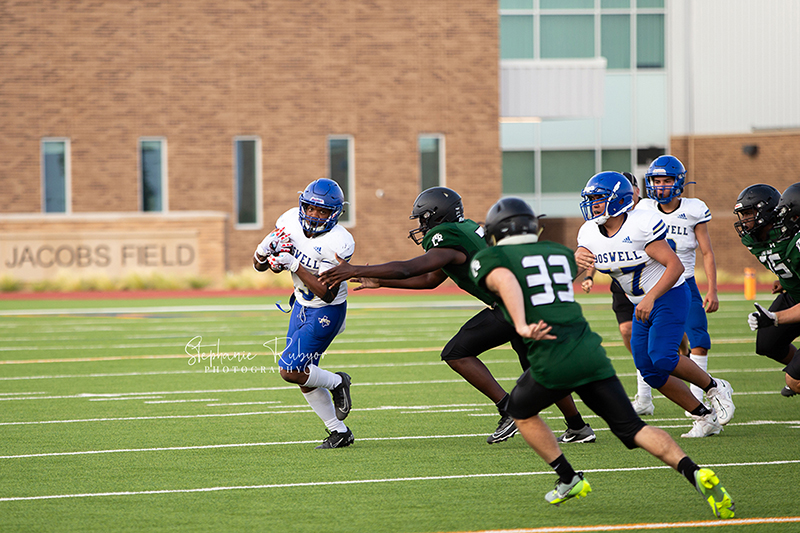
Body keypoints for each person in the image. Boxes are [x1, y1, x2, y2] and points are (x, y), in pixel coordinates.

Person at [468, 196, 734, 518]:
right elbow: (573, 270)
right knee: (633, 429)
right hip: (589, 351)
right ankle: (693, 471)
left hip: (552, 356)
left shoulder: (490, 258)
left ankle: (568, 477)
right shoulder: (558, 253)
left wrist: (522, 323)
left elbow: (507, 278)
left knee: (520, 410)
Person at [318, 187, 596, 444]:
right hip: (527, 302)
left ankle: (509, 410)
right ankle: (578, 427)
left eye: (424, 219)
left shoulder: (447, 238)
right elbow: (430, 279)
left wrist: (356, 270)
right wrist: (380, 282)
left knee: (456, 352)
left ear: (437, 216)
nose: (421, 226)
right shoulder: (463, 231)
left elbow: (410, 268)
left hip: (514, 306)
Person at [576, 171, 734, 438]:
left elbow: (676, 266)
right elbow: (574, 269)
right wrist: (576, 260)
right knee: (649, 370)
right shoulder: (589, 233)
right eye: (590, 199)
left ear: (617, 200)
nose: (593, 204)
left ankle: (715, 387)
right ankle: (704, 417)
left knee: (663, 357)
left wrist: (650, 297)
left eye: (599, 198)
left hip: (669, 295)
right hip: (640, 303)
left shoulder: (641, 224)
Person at [253, 178, 355, 449]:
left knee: (290, 369)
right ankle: (339, 431)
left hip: (327, 310)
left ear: (335, 213)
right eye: (310, 208)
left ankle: (337, 382)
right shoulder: (288, 221)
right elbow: (260, 267)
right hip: (300, 304)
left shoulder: (339, 242)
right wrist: (264, 251)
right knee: (303, 374)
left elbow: (328, 293)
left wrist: (295, 265)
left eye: (322, 211)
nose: (314, 215)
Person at [631, 156, 720, 415]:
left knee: (699, 340)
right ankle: (644, 399)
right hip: (651, 287)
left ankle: (705, 402)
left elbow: (707, 252)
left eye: (666, 180)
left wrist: (712, 289)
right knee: (646, 348)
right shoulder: (644, 208)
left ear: (679, 182)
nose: (660, 186)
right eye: (656, 181)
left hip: (685, 285)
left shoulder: (693, 209)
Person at [735, 182, 800, 396]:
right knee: (767, 344)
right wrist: (785, 277)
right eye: (742, 214)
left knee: (794, 380)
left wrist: (775, 317)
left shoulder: (791, 236)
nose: (744, 220)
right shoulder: (752, 239)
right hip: (794, 292)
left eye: (748, 213)